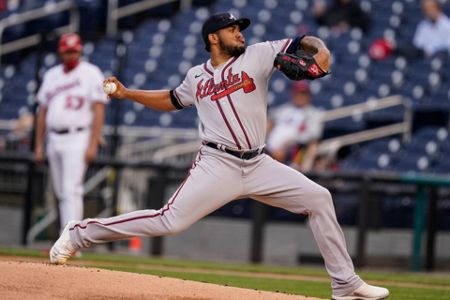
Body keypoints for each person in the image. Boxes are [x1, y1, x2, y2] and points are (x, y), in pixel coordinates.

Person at [49, 13, 389, 300]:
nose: (239, 33)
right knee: (170, 220)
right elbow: (171, 99)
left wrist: (321, 52)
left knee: (319, 198)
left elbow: (306, 42)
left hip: (259, 163)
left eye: (240, 28)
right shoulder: (196, 77)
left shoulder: (259, 53)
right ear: (213, 37)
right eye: (232, 29)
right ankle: (79, 232)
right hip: (217, 163)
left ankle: (344, 284)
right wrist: (127, 93)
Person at [34, 33, 107, 233]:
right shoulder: (52, 75)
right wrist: (39, 145)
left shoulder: (91, 72)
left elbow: (99, 108)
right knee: (61, 191)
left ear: (80, 50)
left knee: (70, 190)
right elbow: (42, 111)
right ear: (60, 52)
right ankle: (66, 238)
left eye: (74, 51)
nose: (71, 55)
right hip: (54, 138)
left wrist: (93, 142)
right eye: (67, 51)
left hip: (78, 136)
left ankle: (70, 240)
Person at [266, 81, 323, 172]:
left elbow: (313, 136)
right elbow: (269, 123)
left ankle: (303, 174)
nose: (300, 96)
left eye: (303, 93)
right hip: (270, 147)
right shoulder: (284, 110)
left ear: (308, 95)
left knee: (313, 146)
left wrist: (289, 143)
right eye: (297, 93)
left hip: (295, 148)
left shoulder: (313, 113)